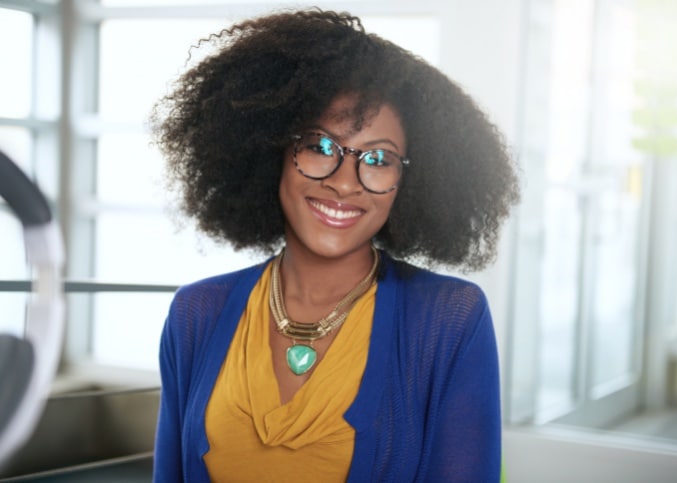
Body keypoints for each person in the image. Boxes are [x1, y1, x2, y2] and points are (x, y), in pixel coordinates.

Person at [151, 8, 519, 483]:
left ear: (411, 180)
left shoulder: (449, 319)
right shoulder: (196, 313)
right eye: (320, 147)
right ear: (273, 151)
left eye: (379, 158)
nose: (345, 183)